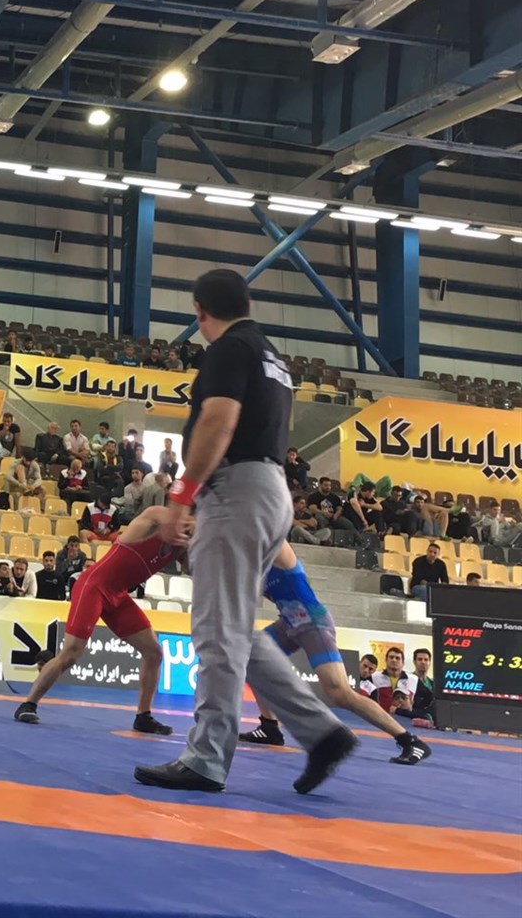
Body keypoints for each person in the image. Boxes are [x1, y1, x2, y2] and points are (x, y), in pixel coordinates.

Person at [135, 269, 354, 796]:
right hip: (269, 490)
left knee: (216, 628)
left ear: (200, 311)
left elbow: (219, 420)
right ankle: (321, 733)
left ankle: (206, 758)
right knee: (235, 629)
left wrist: (182, 495)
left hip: (236, 490)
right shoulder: (271, 356)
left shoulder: (229, 349)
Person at [238, 543, 432, 766]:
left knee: (339, 692)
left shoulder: (279, 550)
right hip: (289, 623)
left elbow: (269, 530)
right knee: (252, 658)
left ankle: (410, 740)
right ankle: (269, 727)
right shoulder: (249, 564)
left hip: (314, 624)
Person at [14, 507, 178, 736]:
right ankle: (28, 704)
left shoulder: (183, 542)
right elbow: (169, 514)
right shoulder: (157, 517)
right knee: (71, 652)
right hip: (93, 586)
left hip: (118, 595)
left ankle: (143, 716)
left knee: (154, 652)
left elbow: (196, 565)